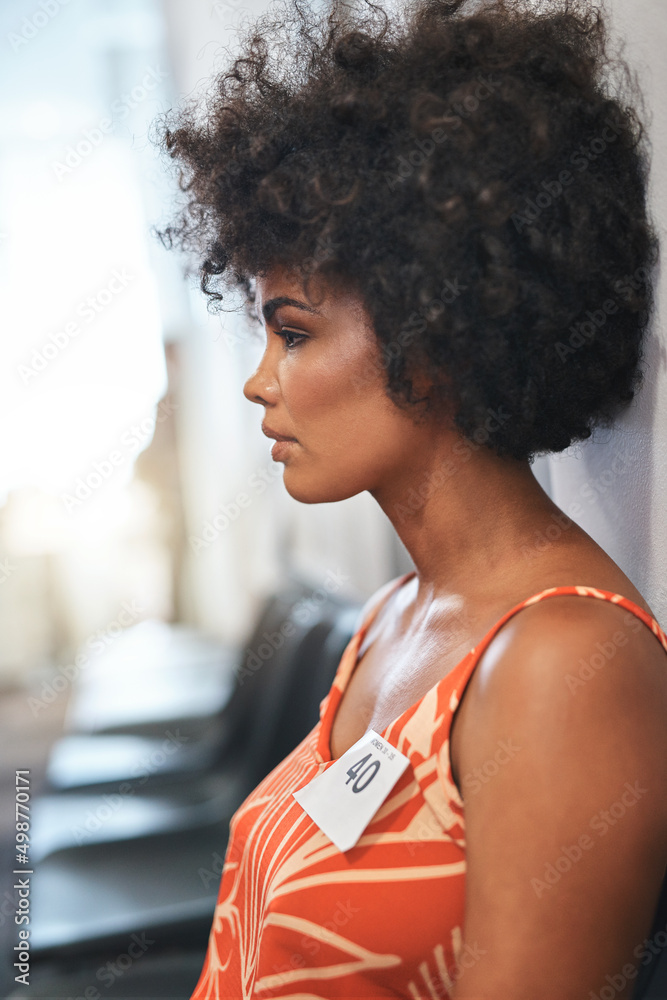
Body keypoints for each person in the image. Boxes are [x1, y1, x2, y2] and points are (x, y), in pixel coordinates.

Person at [158, 0, 667, 995]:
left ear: (436, 332)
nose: (261, 381)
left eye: (294, 332)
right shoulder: (395, 615)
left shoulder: (565, 665)